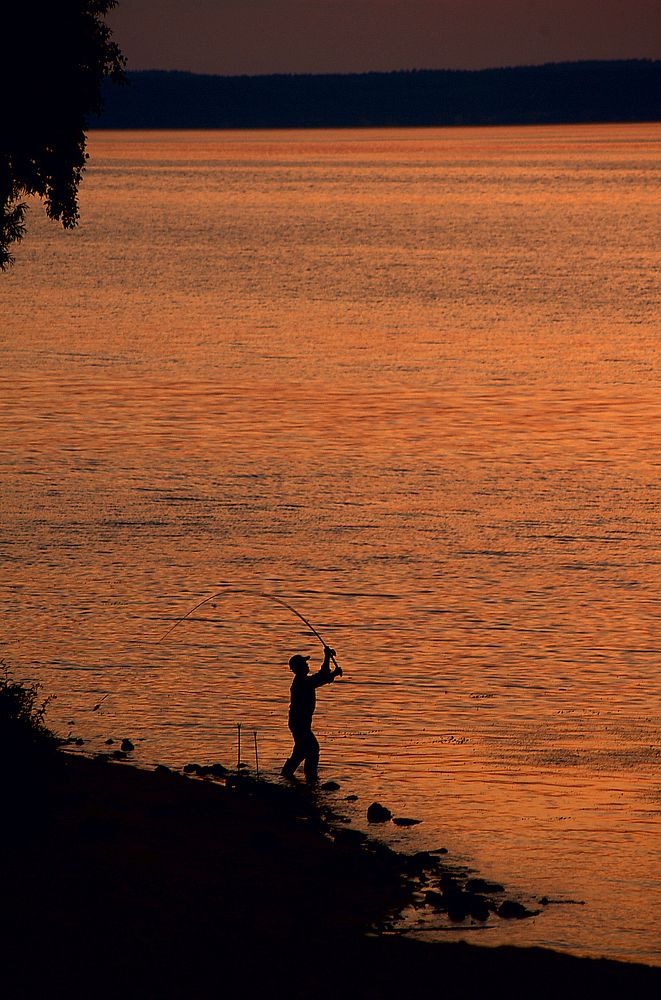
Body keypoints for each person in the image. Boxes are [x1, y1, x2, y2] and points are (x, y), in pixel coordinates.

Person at [281, 646, 342, 782]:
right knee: (313, 749)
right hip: (299, 724)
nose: (307, 665)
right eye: (305, 663)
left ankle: (286, 775)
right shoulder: (301, 682)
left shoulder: (303, 681)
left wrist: (327, 658)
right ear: (300, 667)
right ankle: (311, 778)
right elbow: (322, 678)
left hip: (299, 723)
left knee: (300, 751)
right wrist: (333, 672)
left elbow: (322, 676)